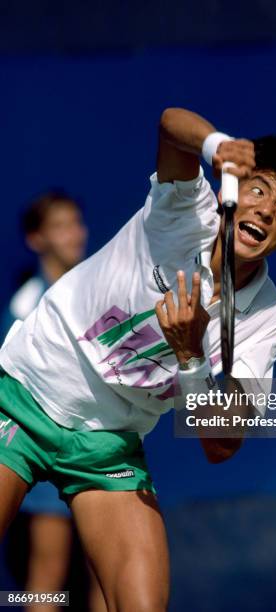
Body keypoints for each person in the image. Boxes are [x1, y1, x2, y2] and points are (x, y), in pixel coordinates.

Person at [0, 108, 276, 611]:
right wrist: (216, 144)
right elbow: (171, 124)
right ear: (230, 192)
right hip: (26, 396)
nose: (264, 210)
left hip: (106, 446)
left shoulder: (270, 315)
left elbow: (222, 443)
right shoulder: (183, 210)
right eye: (258, 191)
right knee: (44, 578)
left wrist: (191, 355)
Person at [0, 192, 105, 612]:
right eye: (60, 226)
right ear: (36, 239)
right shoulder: (24, 305)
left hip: (98, 445)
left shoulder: (101, 288)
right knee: (48, 578)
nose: (74, 235)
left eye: (76, 223)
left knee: (107, 574)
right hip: (42, 450)